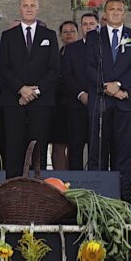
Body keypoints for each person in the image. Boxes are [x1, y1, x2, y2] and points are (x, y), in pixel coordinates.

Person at [84, 0, 131, 205]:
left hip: (125, 102)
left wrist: (118, 86)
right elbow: (89, 67)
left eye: (119, 9)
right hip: (100, 102)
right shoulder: (94, 37)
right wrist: (106, 88)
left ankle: (124, 192)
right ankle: (96, 193)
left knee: (124, 150)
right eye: (112, 9)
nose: (116, 12)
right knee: (98, 150)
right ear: (105, 13)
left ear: (124, 13)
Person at [0, 0, 60, 178]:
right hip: (13, 100)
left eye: (33, 5)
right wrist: (21, 89)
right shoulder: (8, 35)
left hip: (41, 101)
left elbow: (54, 68)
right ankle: (13, 188)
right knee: (13, 147)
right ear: (20, 8)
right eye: (25, 5)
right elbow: (3, 67)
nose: (29, 8)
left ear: (38, 8)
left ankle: (38, 189)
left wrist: (35, 91)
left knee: (39, 147)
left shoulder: (49, 35)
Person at [62, 13, 98, 171]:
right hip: (76, 106)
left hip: (99, 105)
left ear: (97, 26)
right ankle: (75, 185)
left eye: (91, 24)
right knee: (75, 148)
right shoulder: (71, 49)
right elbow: (67, 75)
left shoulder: (105, 48)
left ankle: (96, 183)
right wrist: (81, 94)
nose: (88, 27)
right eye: (85, 24)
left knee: (97, 148)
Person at [51, 20, 79, 170]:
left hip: (78, 104)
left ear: (78, 34)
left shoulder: (85, 54)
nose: (69, 34)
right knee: (58, 145)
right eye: (65, 32)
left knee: (75, 146)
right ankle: (58, 179)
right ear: (60, 36)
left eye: (72, 31)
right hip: (58, 106)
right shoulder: (56, 54)